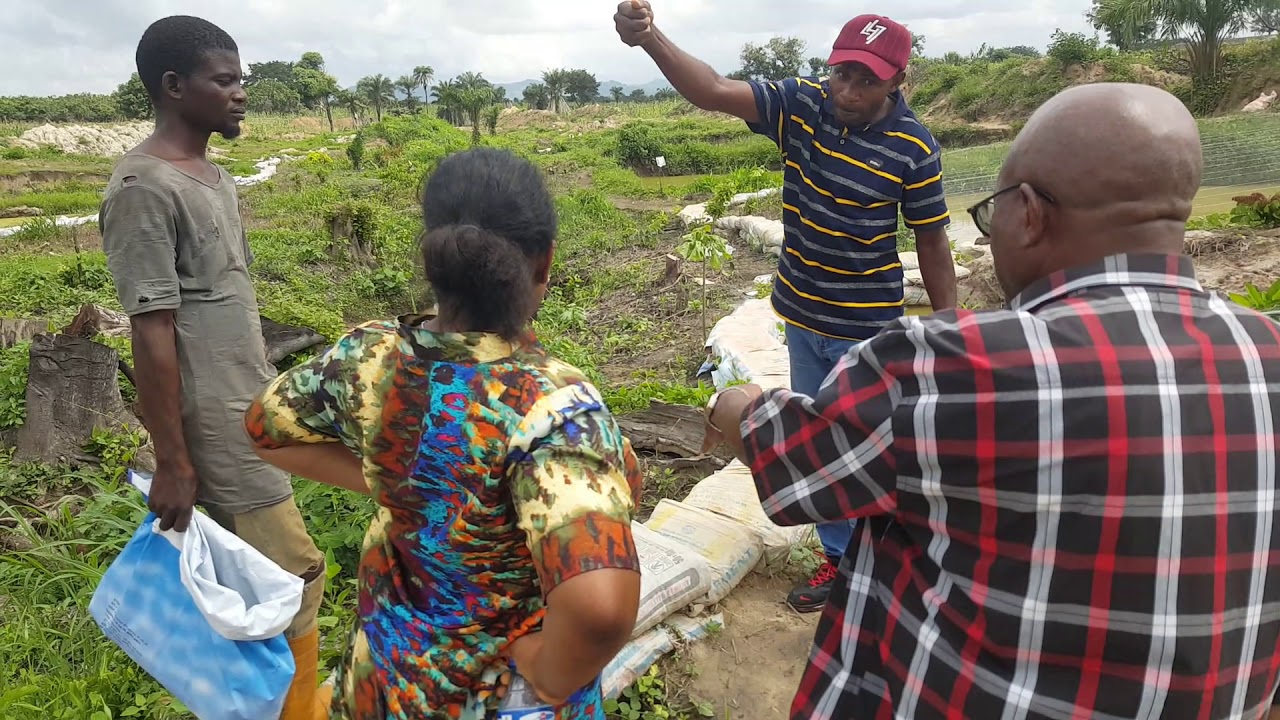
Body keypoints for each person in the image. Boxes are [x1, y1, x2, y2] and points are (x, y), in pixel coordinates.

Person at [702, 82, 1280, 719]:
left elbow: (799, 460)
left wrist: (736, 403)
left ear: (1029, 212)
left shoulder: (948, 365)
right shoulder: (1269, 351)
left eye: (991, 210)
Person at [244, 147, 644, 719]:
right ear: (544, 263)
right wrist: (551, 674)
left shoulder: (370, 357)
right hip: (495, 696)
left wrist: (400, 478)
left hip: (388, 679)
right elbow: (599, 608)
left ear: (436, 256)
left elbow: (262, 430)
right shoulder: (552, 408)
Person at [615, 2, 957, 613]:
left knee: (871, 451)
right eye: (841, 73)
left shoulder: (914, 148)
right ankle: (839, 562)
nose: (847, 91)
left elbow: (931, 239)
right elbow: (713, 90)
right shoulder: (802, 105)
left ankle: (885, 562)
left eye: (866, 80)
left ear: (897, 82)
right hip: (802, 316)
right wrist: (650, 40)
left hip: (868, 330)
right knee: (817, 448)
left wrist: (951, 324)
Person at [98, 16, 326, 720]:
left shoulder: (215, 179)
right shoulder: (144, 187)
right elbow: (153, 330)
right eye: (223, 81)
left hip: (250, 408)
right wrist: (173, 460)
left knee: (248, 583)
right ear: (174, 87)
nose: (240, 94)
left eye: (240, 79)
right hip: (218, 426)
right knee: (295, 575)